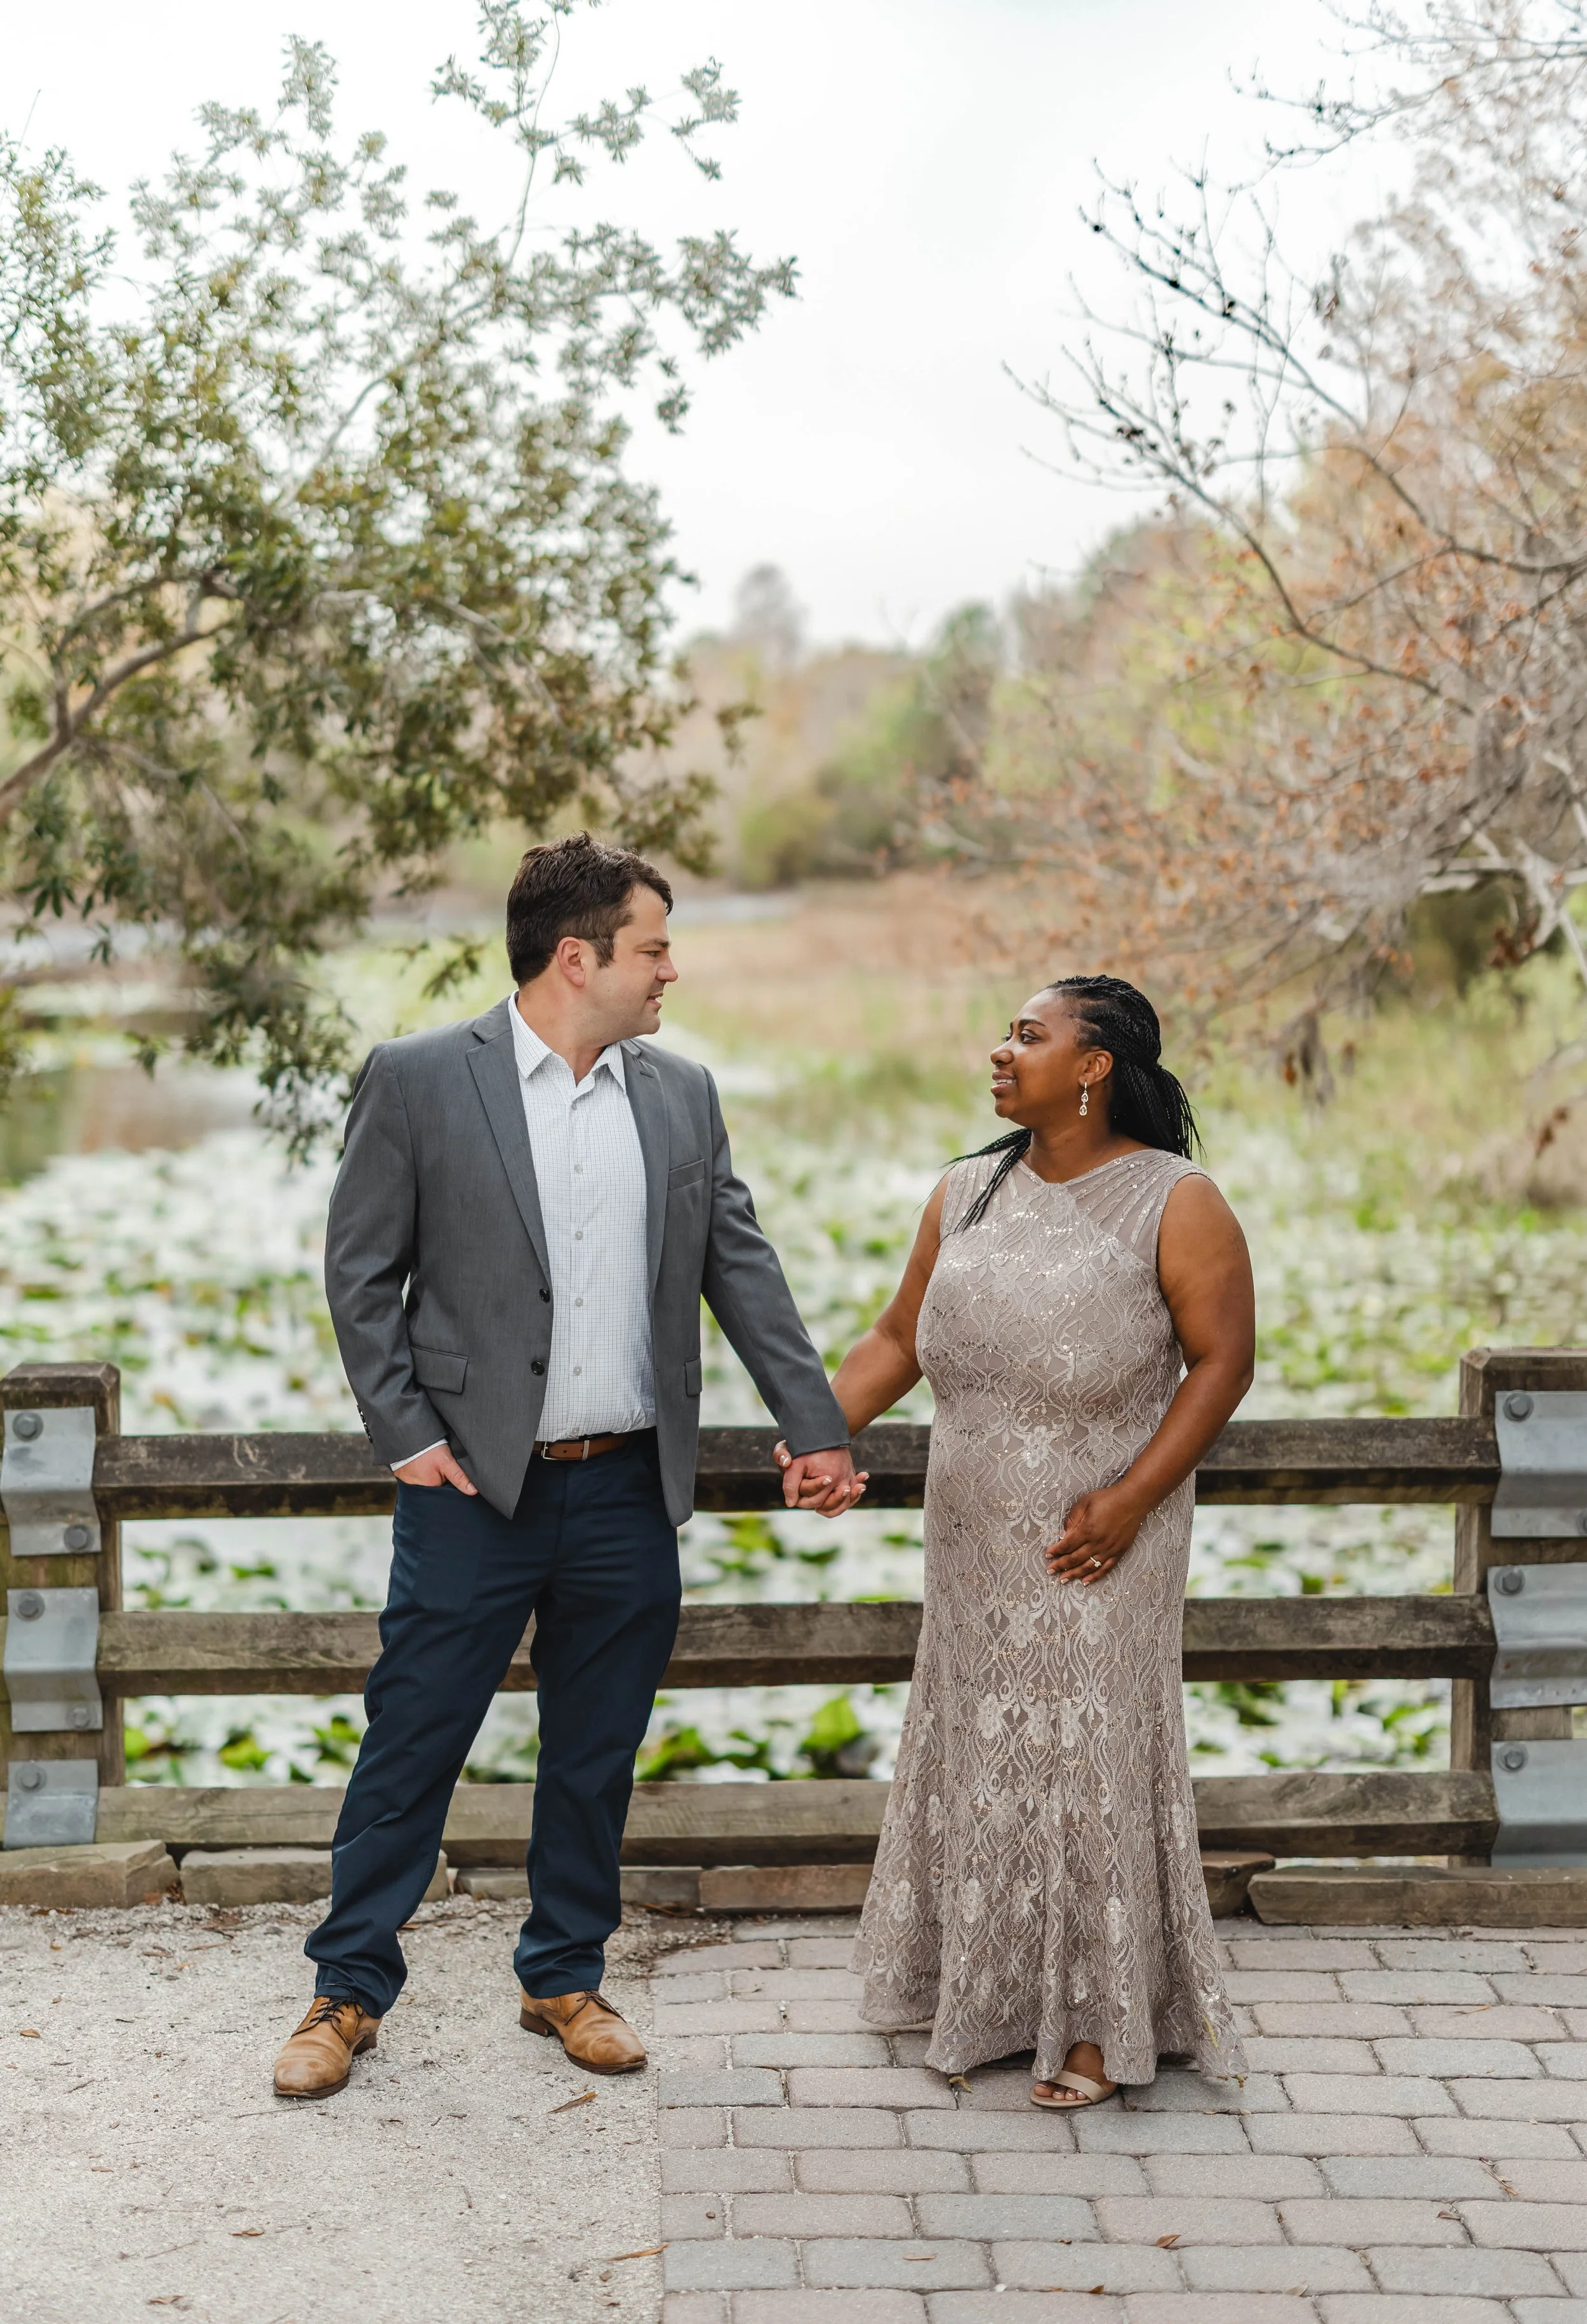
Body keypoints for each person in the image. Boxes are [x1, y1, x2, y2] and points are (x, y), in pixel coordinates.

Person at [272, 833, 863, 2100]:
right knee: (412, 1743)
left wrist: (813, 1423)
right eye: (652, 948)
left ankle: (562, 1973)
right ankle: (345, 1989)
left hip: (623, 1490)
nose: (668, 973)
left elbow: (740, 1269)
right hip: (474, 1488)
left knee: (594, 1748)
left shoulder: (681, 1095)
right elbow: (359, 1273)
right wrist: (408, 1438)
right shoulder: (422, 1078)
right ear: (575, 955)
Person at [820, 974, 1254, 2109]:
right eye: (1008, 1034)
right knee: (986, 1739)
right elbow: (896, 1335)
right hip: (972, 1537)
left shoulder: (1178, 1198)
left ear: (1095, 1064)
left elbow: (1223, 1362)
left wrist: (1132, 1497)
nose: (1002, 1051)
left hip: (1103, 1530)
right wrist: (815, 1436)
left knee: (1094, 1750)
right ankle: (992, 1991)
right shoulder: (963, 1192)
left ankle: (1107, 2028)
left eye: (1029, 1034)